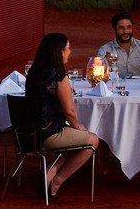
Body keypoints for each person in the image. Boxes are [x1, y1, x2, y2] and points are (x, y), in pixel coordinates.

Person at [22, 33, 102, 199]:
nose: (70, 52)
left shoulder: (34, 73)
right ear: (59, 52)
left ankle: (48, 176)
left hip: (29, 134)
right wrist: (77, 126)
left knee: (75, 141)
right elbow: (70, 111)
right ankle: (57, 181)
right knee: (92, 140)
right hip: (50, 134)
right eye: (67, 48)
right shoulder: (59, 76)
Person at [97, 11, 140, 77]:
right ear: (114, 29)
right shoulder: (105, 50)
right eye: (121, 28)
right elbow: (98, 76)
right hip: (116, 86)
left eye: (129, 27)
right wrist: (106, 65)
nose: (126, 31)